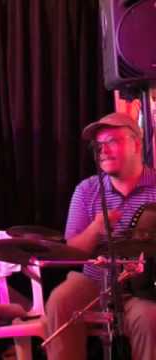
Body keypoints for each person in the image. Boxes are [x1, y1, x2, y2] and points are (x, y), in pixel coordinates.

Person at [45, 112, 156, 360]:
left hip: (145, 289)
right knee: (60, 300)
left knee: (149, 318)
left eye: (112, 142)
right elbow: (72, 250)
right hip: (94, 281)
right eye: (98, 145)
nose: (102, 151)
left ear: (136, 144)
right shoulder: (87, 190)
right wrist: (95, 229)